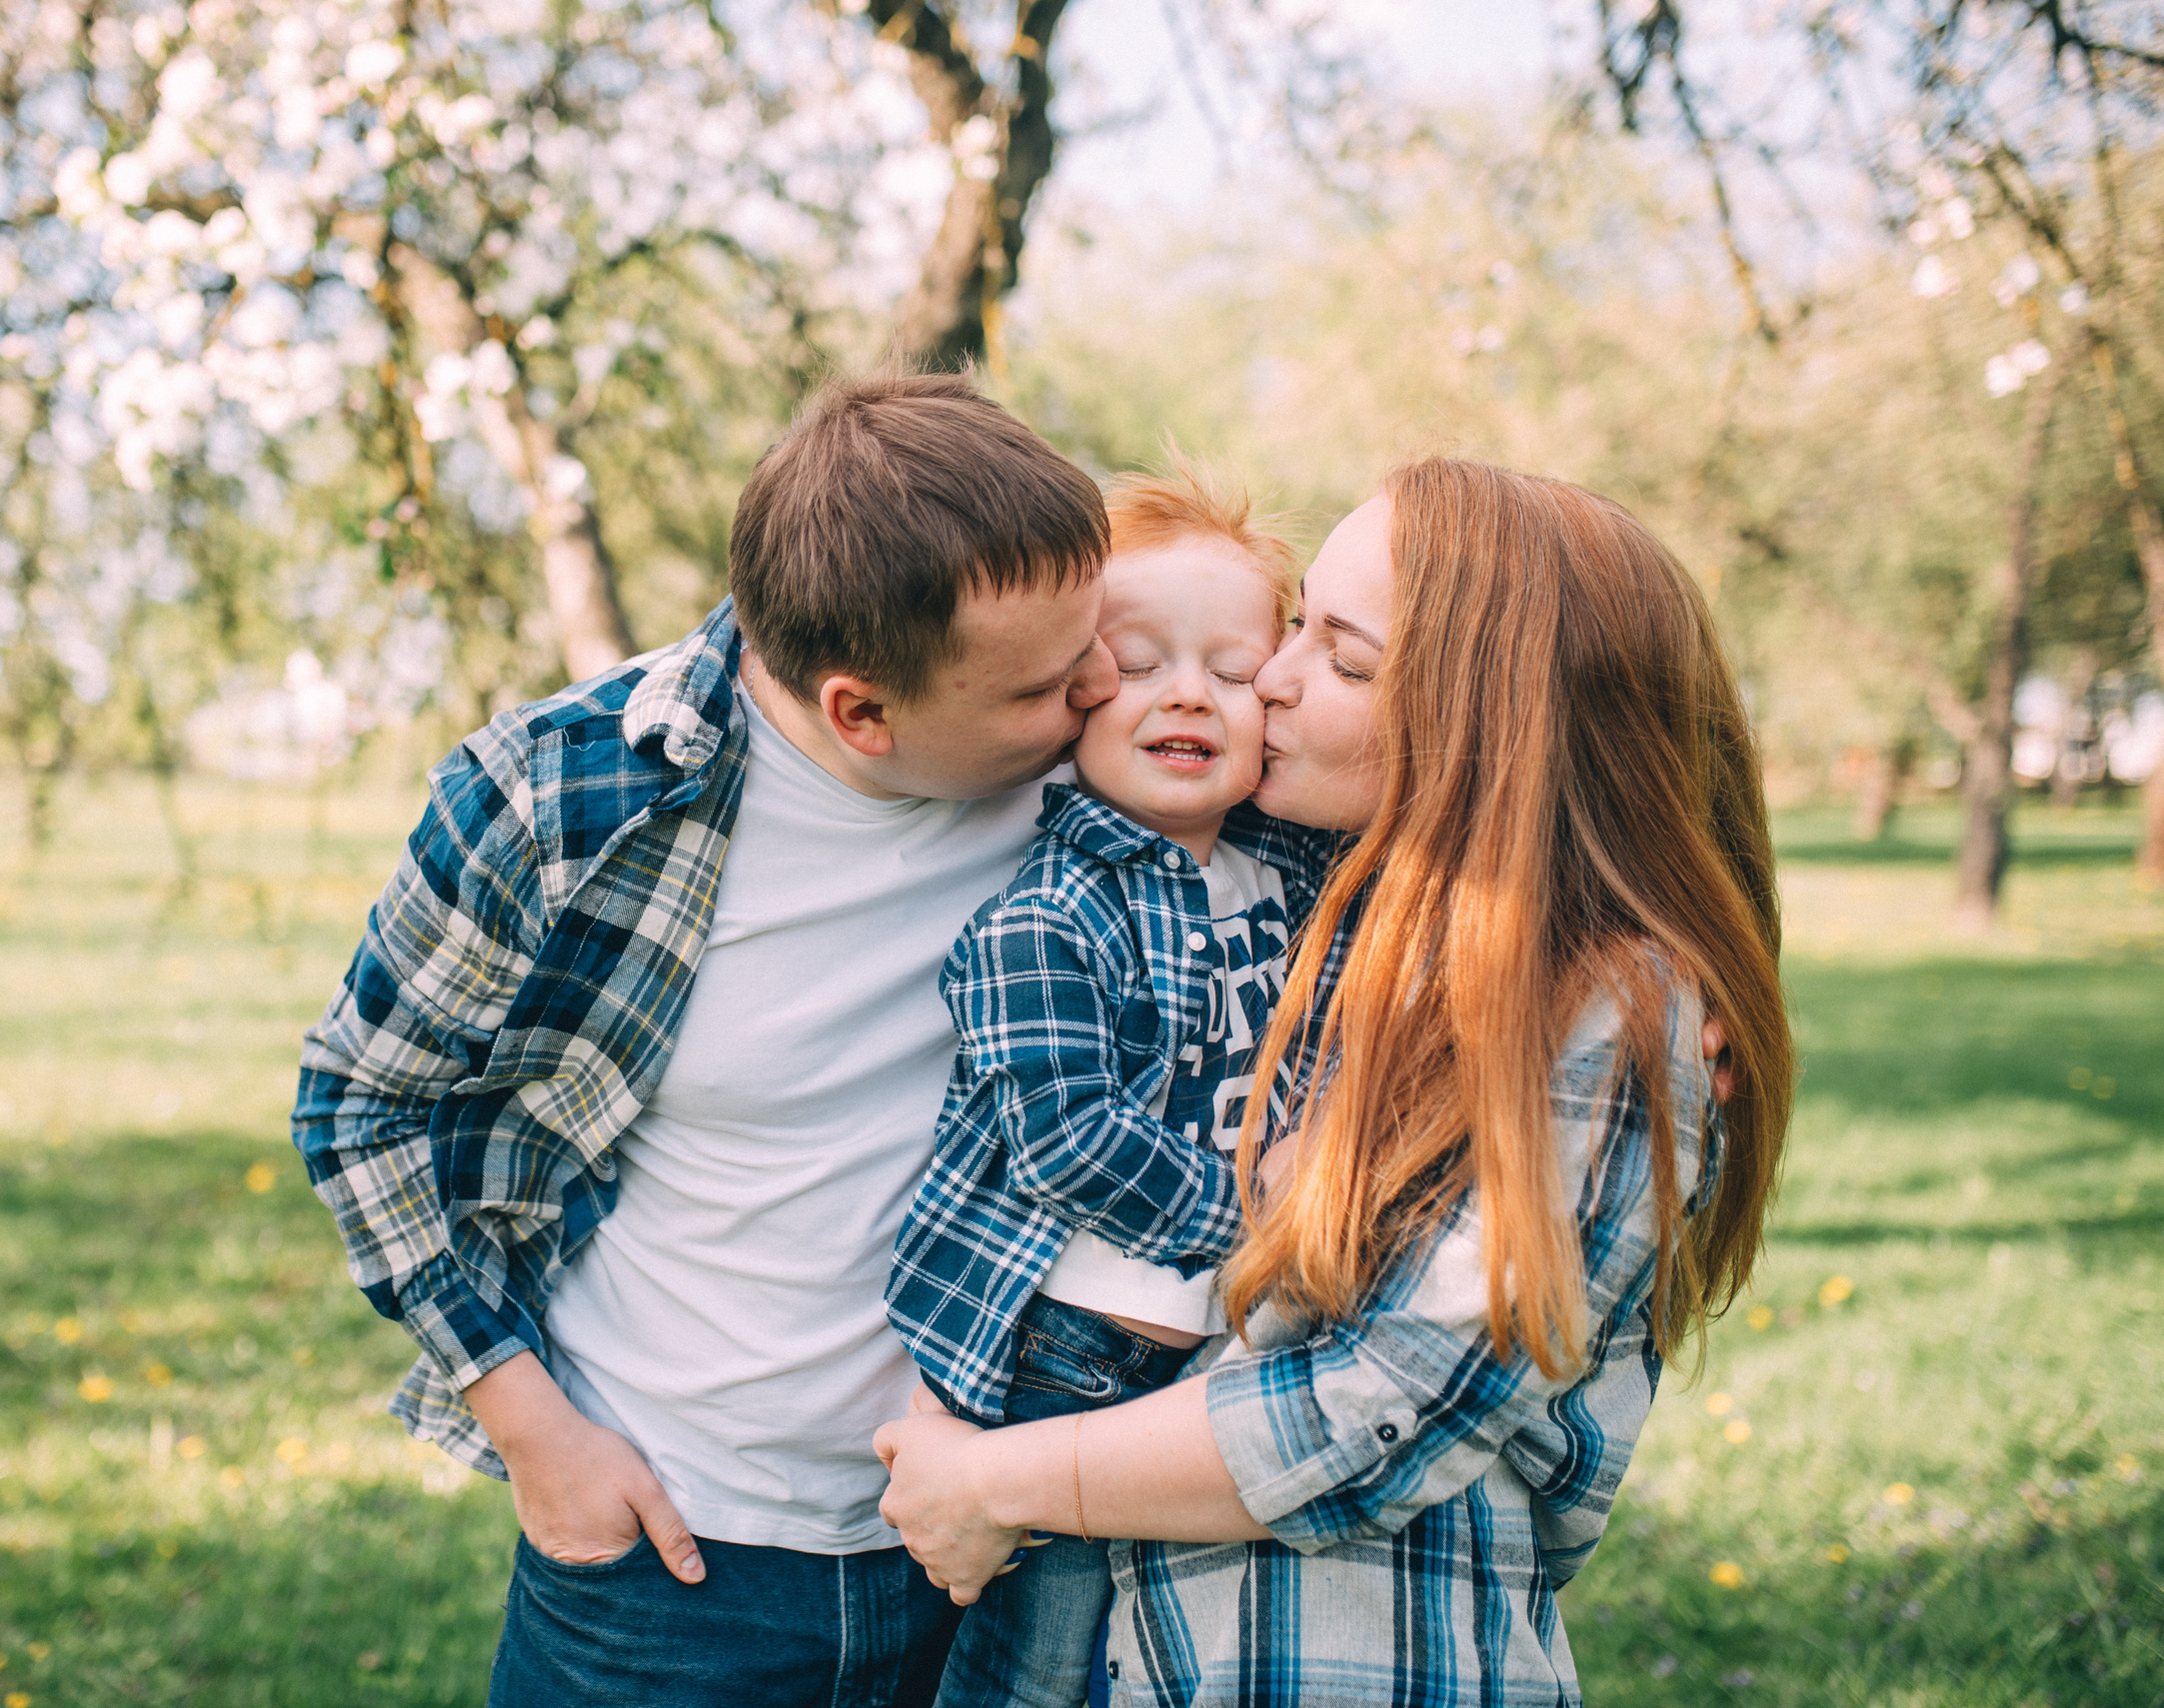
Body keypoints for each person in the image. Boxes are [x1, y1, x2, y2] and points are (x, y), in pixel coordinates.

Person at [874, 457, 1795, 1706]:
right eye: (1297, 620)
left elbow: (1391, 1401)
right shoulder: (1322, 907)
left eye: (1346, 661)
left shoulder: (1606, 1010)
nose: (1273, 676)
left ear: (1496, 728)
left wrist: (996, 1480)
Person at [291, 367, 1127, 1707]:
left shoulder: (1111, 773)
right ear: (863, 711)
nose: (1099, 690)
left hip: (992, 1552)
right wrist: (528, 1424)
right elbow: (361, 1108)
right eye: (1041, 687)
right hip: (674, 1572)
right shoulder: (562, 799)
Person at [886, 464, 1339, 1708]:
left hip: (1211, 1354)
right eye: (1134, 663)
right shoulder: (1050, 914)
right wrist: (1272, 1221)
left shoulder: (1294, 876)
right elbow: (1068, 1141)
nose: (1187, 691)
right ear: (1072, 691)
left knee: (1154, 1666)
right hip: (1066, 1353)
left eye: (1235, 671)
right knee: (1037, 1670)